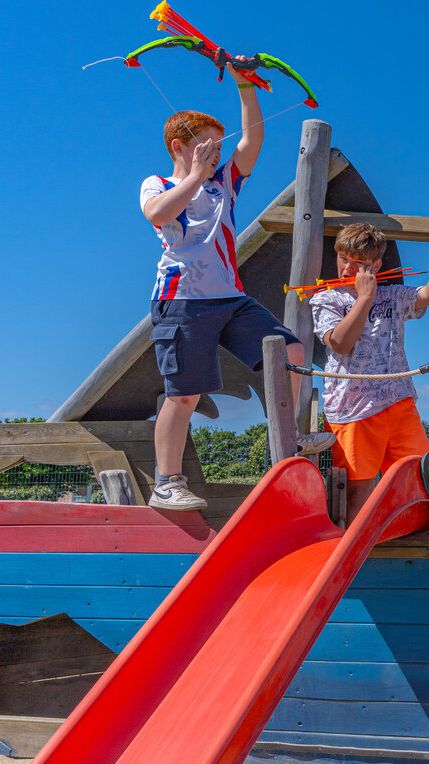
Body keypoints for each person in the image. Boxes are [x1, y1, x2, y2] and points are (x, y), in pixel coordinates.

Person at [141, 90, 333, 511]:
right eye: (207, 145)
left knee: (293, 350)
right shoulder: (160, 183)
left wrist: (245, 84)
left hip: (231, 297)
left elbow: (254, 140)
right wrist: (193, 175)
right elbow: (156, 214)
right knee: (184, 394)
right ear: (180, 146)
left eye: (219, 145)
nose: (217, 153)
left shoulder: (223, 182)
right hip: (182, 301)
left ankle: (287, 435)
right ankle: (166, 482)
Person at [311, 222, 429, 521]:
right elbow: (340, 343)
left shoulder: (392, 294)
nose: (347, 270)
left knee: (417, 479)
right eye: (343, 259)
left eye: (358, 264)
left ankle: (408, 540)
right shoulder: (326, 298)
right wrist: (364, 298)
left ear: (376, 265)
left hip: (397, 401)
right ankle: (358, 555)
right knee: (358, 492)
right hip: (352, 410)